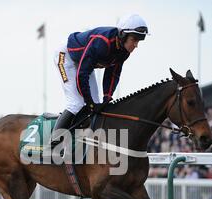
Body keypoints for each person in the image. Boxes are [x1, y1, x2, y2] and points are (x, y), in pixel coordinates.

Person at [51, 13, 149, 146]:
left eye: (138, 41)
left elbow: (113, 73)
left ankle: (80, 140)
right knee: (76, 103)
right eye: (134, 40)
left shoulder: (124, 51)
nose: (136, 45)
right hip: (65, 57)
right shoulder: (102, 43)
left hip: (83, 63)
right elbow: (82, 75)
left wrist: (107, 97)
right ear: (122, 35)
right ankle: (53, 141)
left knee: (96, 104)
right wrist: (89, 102)